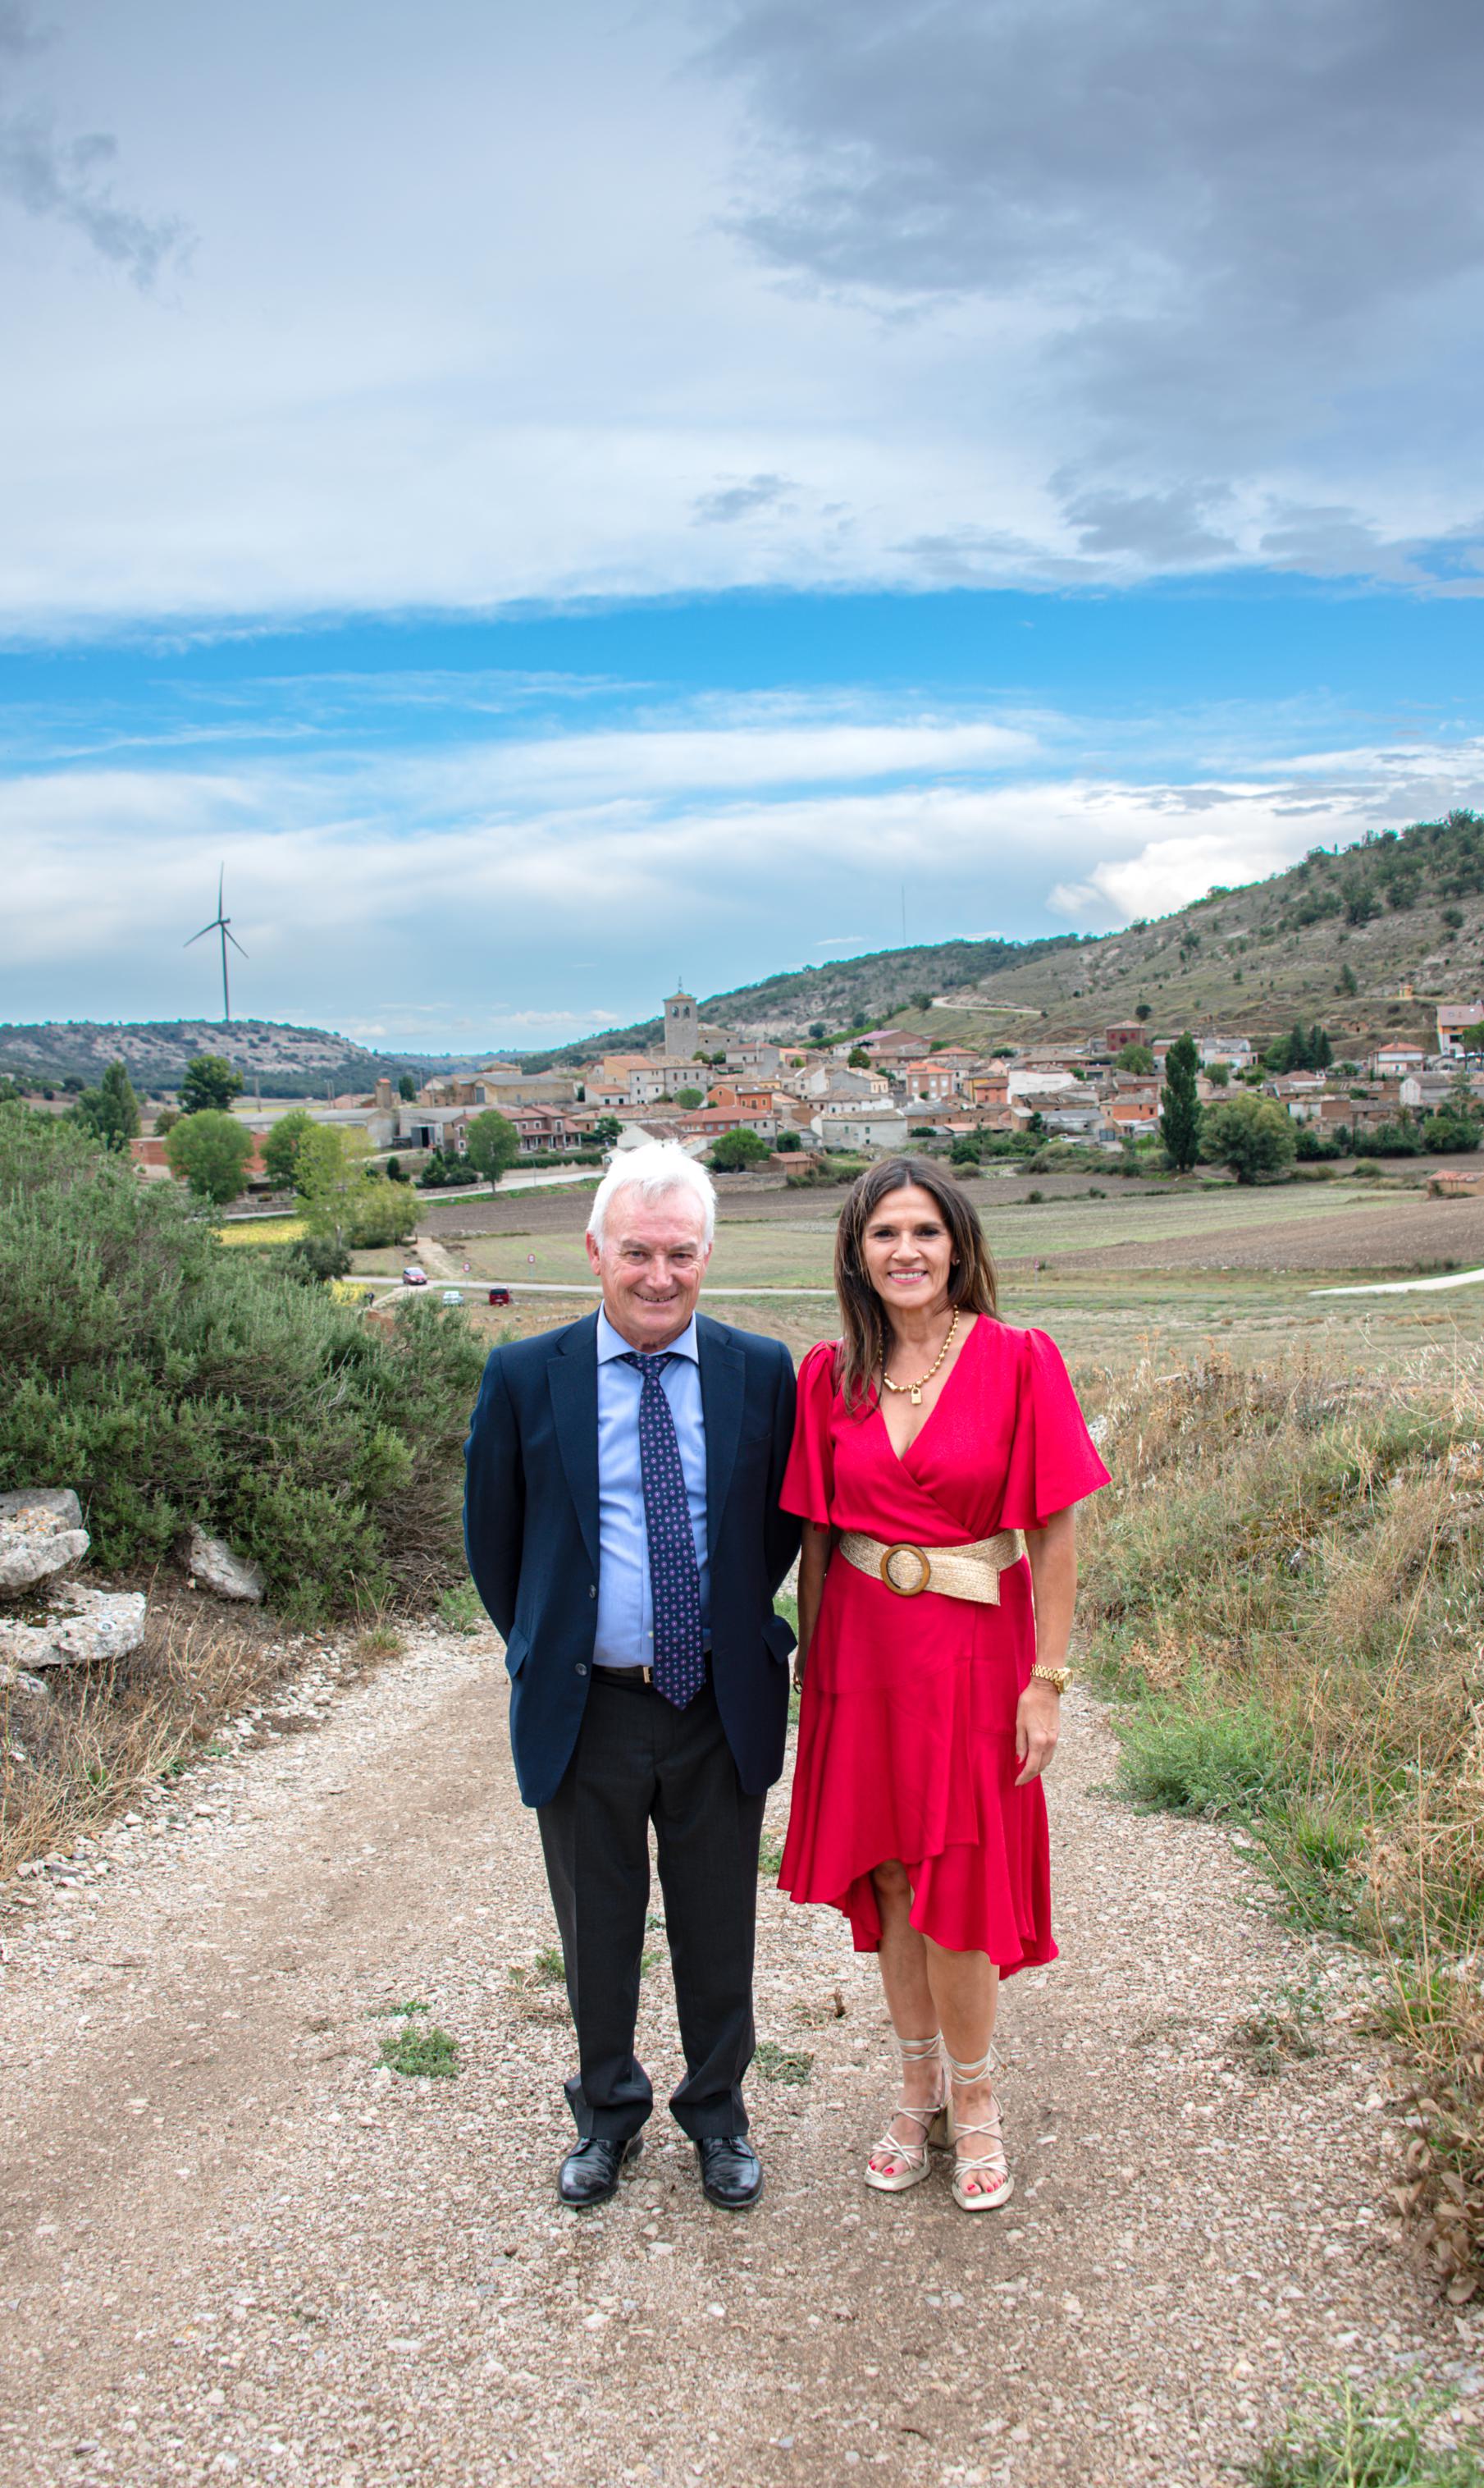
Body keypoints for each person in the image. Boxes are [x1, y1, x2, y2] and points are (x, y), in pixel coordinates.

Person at [463, 1142, 800, 2211]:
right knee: (596, 1929)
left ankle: (717, 2118)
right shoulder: (526, 1376)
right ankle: (605, 2115)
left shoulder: (761, 1371)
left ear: (708, 1256)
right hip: (586, 1705)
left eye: (681, 1254)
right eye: (638, 1252)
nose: (659, 1276)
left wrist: (712, 1634)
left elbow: (776, 1531)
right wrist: (560, 1645)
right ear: (596, 1251)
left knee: (718, 1927)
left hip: (714, 1705)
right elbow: (494, 1542)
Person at [779, 1156, 1108, 2212]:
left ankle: (976, 2100)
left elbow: (1054, 1529)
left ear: (958, 1245)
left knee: (955, 1884)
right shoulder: (830, 1373)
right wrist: (814, 1680)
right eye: (884, 1234)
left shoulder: (1018, 1358)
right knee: (886, 1877)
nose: (906, 1251)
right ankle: (913, 2084)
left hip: (975, 1653)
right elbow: (819, 1541)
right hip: (863, 1656)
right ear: (856, 1253)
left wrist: (1047, 1679)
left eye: (924, 1231)